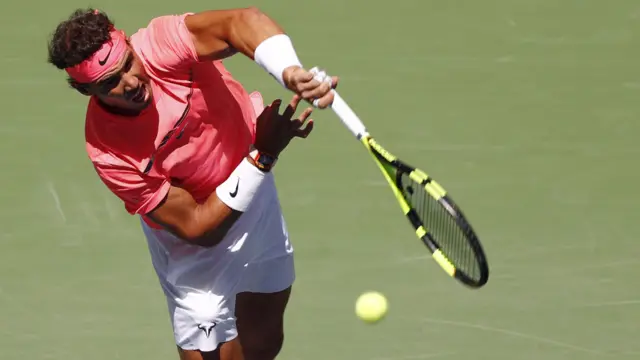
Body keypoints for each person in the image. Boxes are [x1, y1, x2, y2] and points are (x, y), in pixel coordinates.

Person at [46, 7, 338, 360]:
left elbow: (239, 22)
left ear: (129, 45)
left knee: (263, 343)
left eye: (127, 64)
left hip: (255, 195)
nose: (131, 82)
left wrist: (287, 70)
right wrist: (262, 156)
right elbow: (199, 227)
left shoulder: (160, 44)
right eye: (110, 82)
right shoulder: (108, 150)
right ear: (85, 90)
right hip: (195, 241)